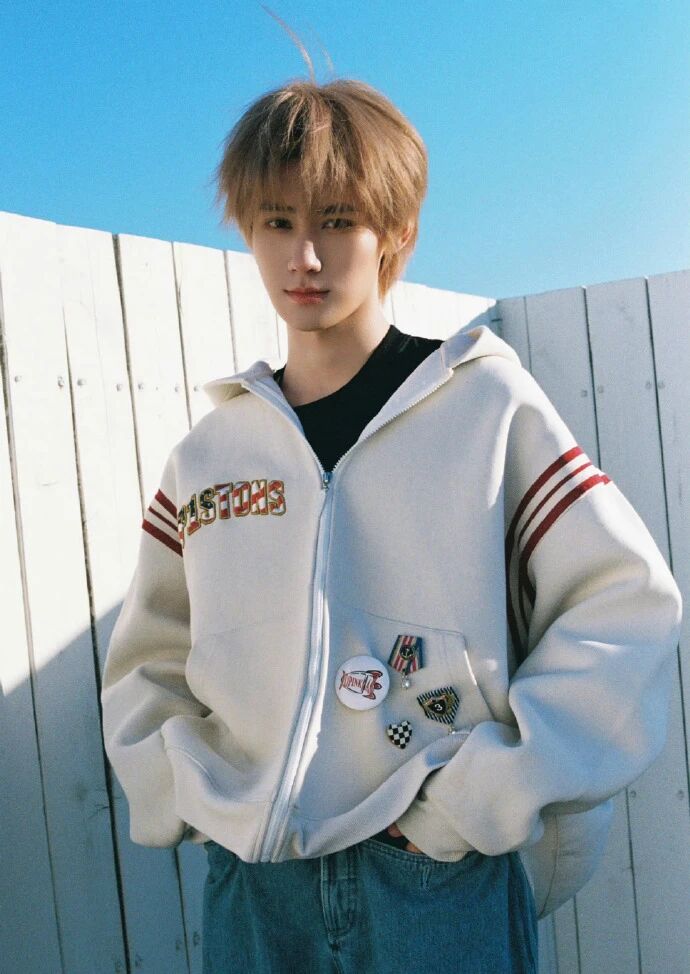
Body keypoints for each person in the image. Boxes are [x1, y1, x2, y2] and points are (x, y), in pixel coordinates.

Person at [99, 46, 683, 974]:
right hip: (258, 890)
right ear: (248, 230)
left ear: (395, 230)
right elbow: (148, 663)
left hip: (434, 885)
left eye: (338, 221)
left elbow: (625, 606)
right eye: (277, 222)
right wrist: (195, 793)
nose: (305, 257)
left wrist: (480, 797)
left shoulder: (485, 408)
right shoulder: (210, 457)